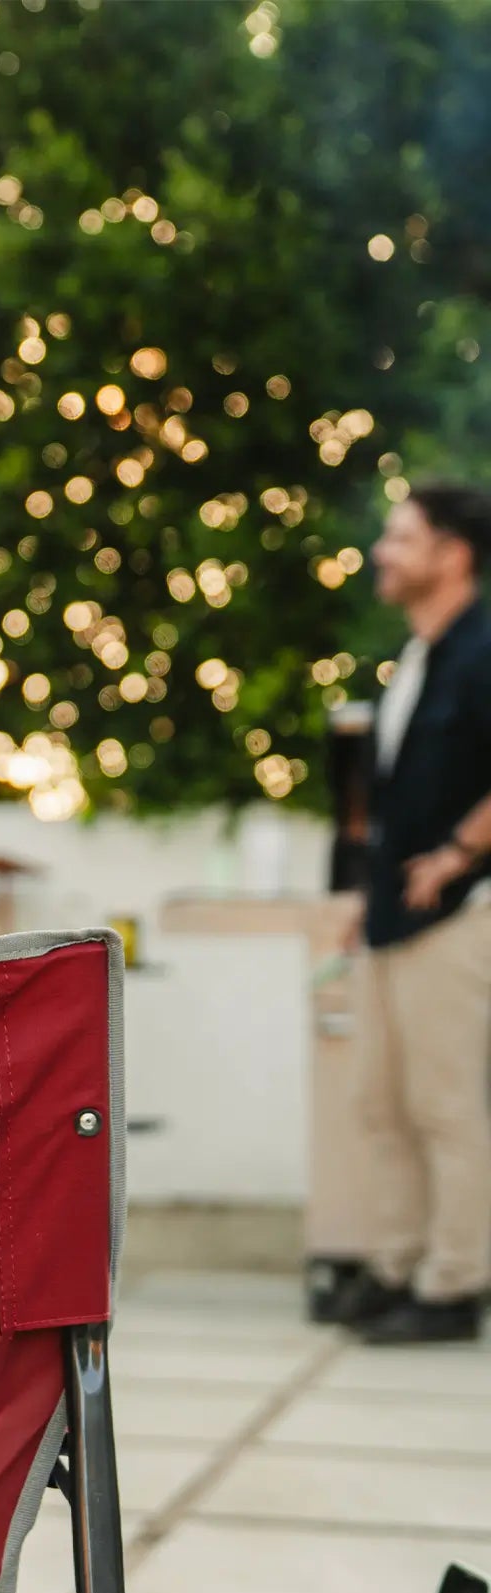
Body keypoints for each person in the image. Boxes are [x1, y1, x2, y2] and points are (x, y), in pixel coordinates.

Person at [330, 481, 491, 1345]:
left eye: (401, 537)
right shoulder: (420, 657)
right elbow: (393, 803)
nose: (383, 553)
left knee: (445, 1106)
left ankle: (454, 1286)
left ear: (452, 554)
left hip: (458, 917)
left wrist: (463, 851)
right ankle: (396, 1267)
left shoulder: (483, 648)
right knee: (380, 1103)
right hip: (393, 917)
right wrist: (367, 896)